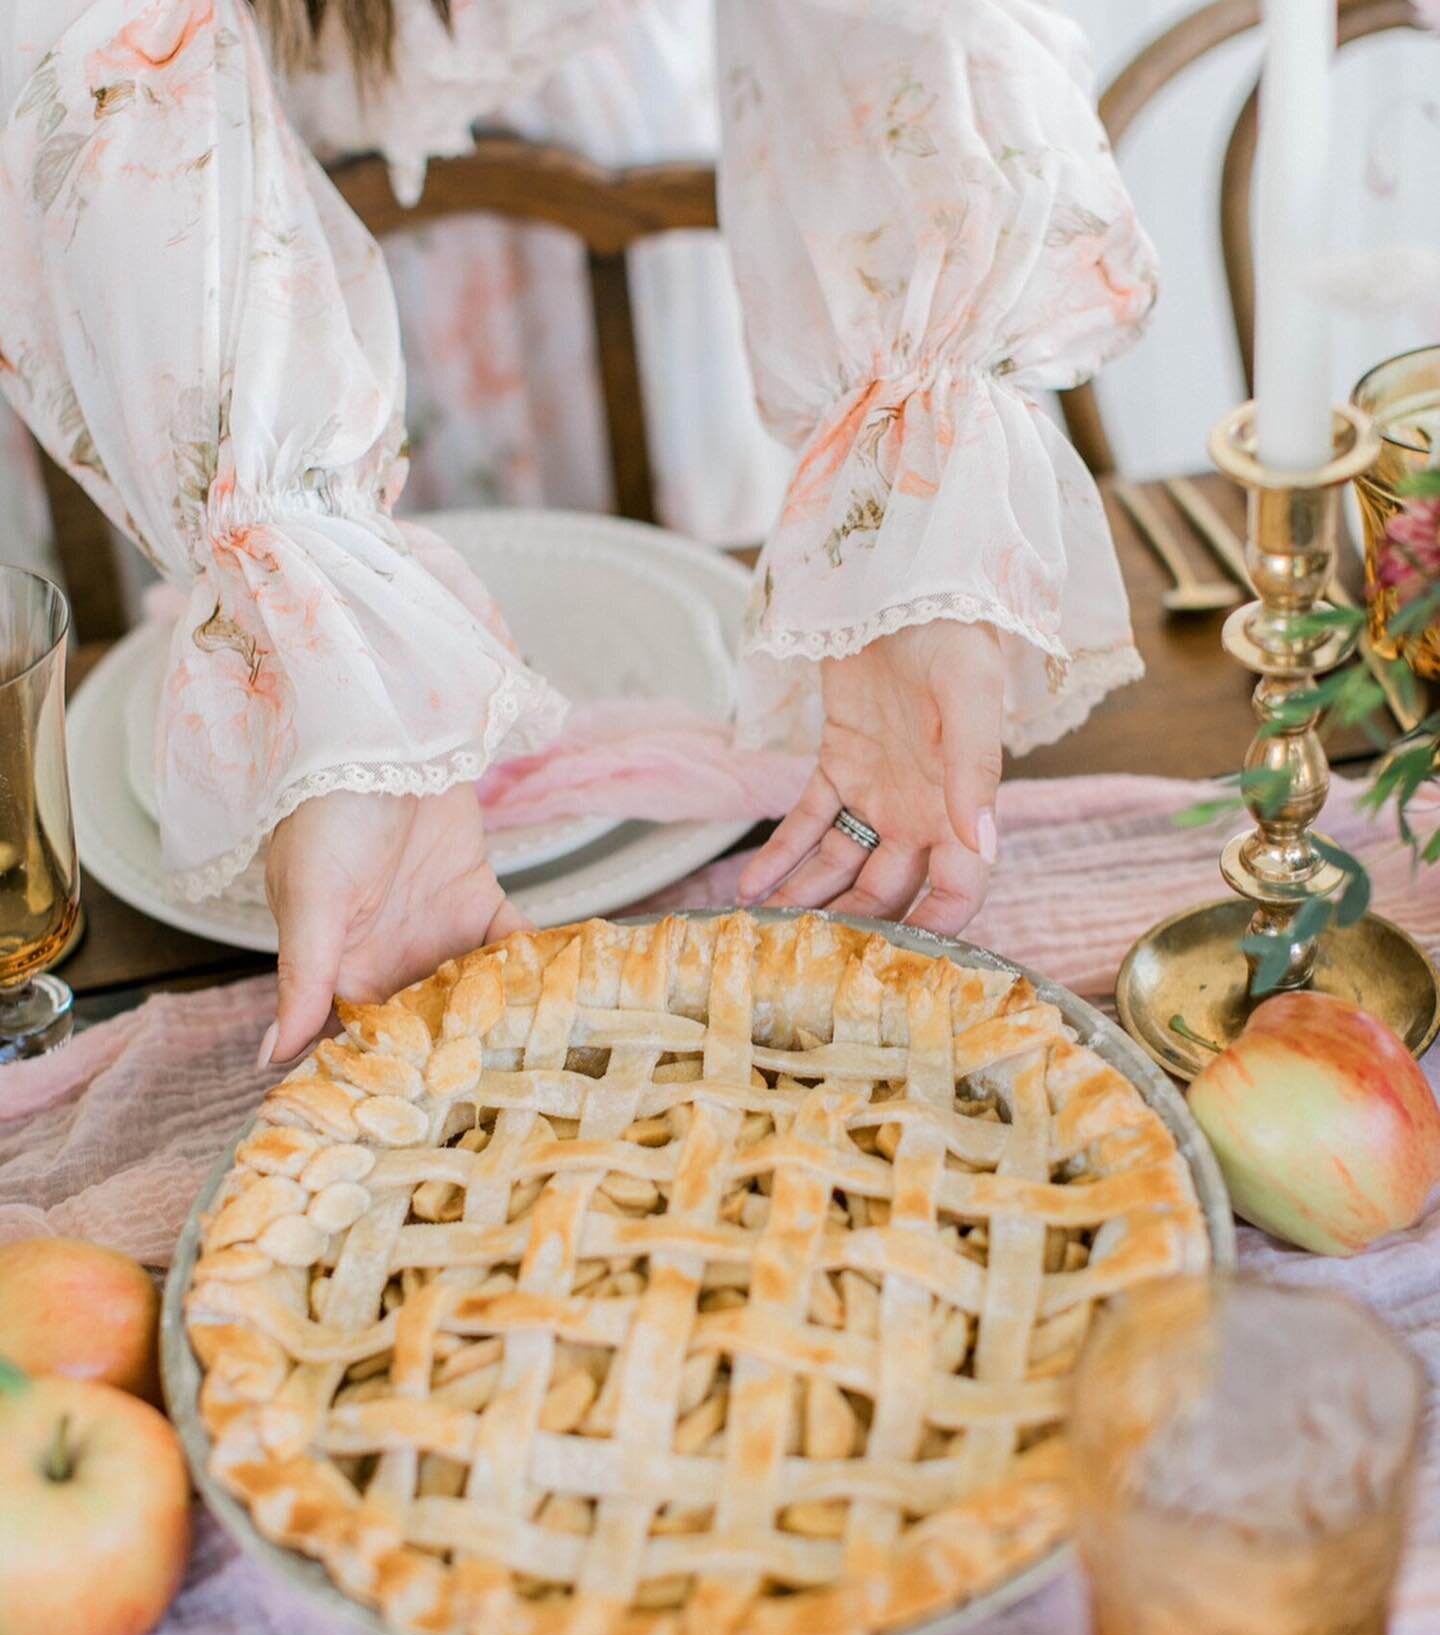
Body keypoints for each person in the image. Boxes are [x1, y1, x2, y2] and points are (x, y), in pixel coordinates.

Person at [0, 0, 1156, 1065]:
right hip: (200, 248)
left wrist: (914, 528)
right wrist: (338, 704)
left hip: (618, 139)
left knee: (656, 584)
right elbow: (85, 44)